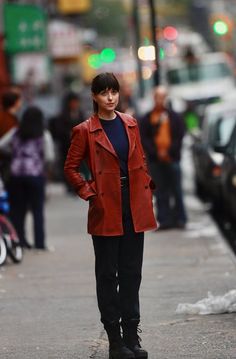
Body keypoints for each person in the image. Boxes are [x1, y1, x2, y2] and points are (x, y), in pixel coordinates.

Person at [64, 72, 157, 359]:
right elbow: (70, 167)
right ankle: (115, 343)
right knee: (107, 275)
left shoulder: (130, 123)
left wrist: (146, 185)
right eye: (104, 92)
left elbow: (139, 158)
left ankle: (132, 336)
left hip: (133, 206)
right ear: (94, 96)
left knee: (132, 274)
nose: (110, 97)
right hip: (106, 208)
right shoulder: (85, 130)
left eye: (113, 92)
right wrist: (90, 193)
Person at [0, 106, 55, 249]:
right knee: (37, 210)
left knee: (18, 211)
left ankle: (20, 242)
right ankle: (40, 243)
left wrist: (13, 153)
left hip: (16, 176)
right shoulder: (44, 135)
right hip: (36, 175)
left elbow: (1, 145)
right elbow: (49, 157)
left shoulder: (16, 132)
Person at [139, 85, 187, 229]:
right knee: (160, 191)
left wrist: (169, 151)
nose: (160, 100)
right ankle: (164, 220)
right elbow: (144, 138)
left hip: (172, 158)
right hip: (155, 160)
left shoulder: (174, 116)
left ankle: (180, 219)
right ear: (154, 98)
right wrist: (155, 152)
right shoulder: (147, 118)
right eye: (157, 97)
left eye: (162, 97)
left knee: (177, 190)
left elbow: (179, 135)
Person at [49, 91, 89, 190]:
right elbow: (59, 130)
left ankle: (78, 184)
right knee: (68, 166)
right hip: (66, 146)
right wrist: (69, 134)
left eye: (76, 102)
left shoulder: (80, 114)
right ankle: (69, 185)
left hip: (79, 145)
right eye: (73, 102)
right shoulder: (62, 115)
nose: (75, 104)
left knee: (80, 165)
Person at [0, 88, 22, 183]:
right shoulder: (9, 120)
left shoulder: (10, 118)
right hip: (6, 159)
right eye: (19, 100)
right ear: (15, 102)